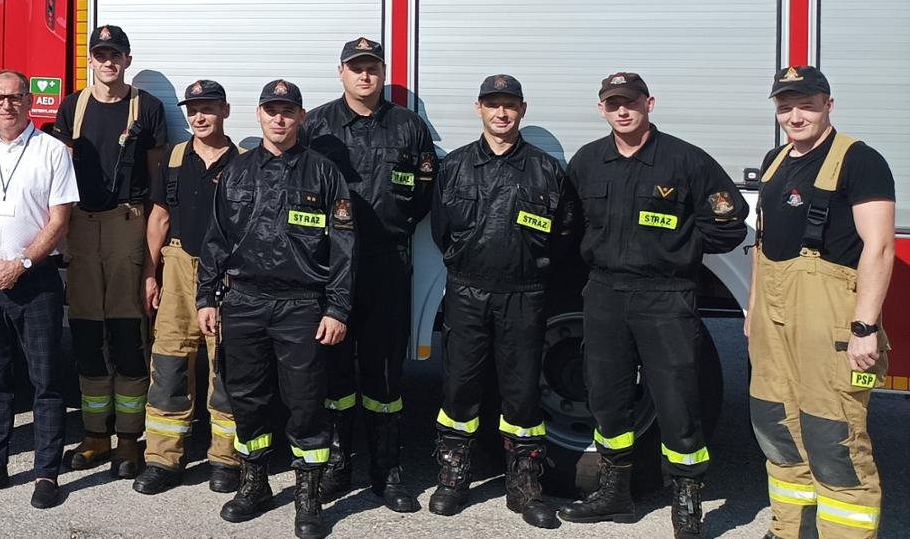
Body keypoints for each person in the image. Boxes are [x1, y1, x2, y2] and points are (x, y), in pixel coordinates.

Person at [558, 72, 747, 538]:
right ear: (601, 109)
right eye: (613, 104)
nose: (623, 111)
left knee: (677, 400)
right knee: (606, 396)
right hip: (604, 293)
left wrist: (680, 248)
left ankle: (687, 502)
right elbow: (568, 222)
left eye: (631, 102)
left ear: (649, 104)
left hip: (666, 296)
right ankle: (614, 493)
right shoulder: (588, 161)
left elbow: (729, 223)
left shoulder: (685, 160)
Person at [200, 79, 354, 539]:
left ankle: (308, 498)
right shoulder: (236, 171)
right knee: (247, 398)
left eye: (288, 111)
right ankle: (255, 485)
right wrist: (207, 296)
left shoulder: (324, 173)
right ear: (259, 115)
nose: (279, 118)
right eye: (272, 110)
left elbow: (344, 247)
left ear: (301, 117)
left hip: (301, 305)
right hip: (244, 302)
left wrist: (337, 308)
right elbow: (216, 239)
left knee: (306, 402)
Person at [427, 75, 579, 528]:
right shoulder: (455, 166)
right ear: (478, 109)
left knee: (523, 390)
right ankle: (454, 476)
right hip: (467, 291)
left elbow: (564, 232)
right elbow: (441, 230)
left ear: (522, 110)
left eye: (509, 104)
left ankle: (525, 484)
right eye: (493, 104)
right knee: (460, 385)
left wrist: (533, 266)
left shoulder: (546, 170)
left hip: (524, 293)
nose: (501, 113)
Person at [748, 66, 893, 539]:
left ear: (828, 105)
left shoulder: (860, 160)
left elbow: (880, 248)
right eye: (785, 106)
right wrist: (753, 309)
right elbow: (763, 244)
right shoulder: (775, 160)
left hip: (829, 315)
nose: (795, 116)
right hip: (773, 315)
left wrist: (865, 328)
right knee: (777, 424)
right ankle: (788, 530)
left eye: (806, 105)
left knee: (834, 435)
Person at [301, 36, 434, 511]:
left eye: (372, 67)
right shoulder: (316, 125)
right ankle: (338, 465)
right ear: (340, 72)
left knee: (385, 370)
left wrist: (394, 227)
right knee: (333, 368)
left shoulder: (408, 126)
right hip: (330, 263)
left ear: (382, 72)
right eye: (355, 67)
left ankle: (386, 468)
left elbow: (424, 191)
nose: (364, 75)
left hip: (387, 262)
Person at [0, 70, 79, 510]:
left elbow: (59, 221)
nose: (7, 105)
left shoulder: (52, 151)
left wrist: (20, 264)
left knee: (46, 381)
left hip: (36, 281)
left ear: (29, 102)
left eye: (15, 97)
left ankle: (46, 473)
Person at [53, 24, 168, 477]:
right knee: (85, 332)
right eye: (101, 54)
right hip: (81, 227)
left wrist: (152, 257)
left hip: (126, 225)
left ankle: (128, 439)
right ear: (90, 60)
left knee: (126, 334)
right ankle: (95, 434)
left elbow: (157, 182)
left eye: (115, 55)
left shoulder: (148, 108)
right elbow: (58, 173)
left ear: (127, 60)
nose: (108, 62)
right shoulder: (72, 106)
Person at [134, 80, 242, 495]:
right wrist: (150, 272)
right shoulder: (175, 159)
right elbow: (159, 217)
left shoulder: (243, 163)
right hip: (178, 266)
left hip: (226, 272)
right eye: (193, 109)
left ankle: (226, 459)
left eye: (208, 108)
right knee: (169, 363)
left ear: (225, 111)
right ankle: (163, 460)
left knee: (227, 365)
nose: (199, 117)